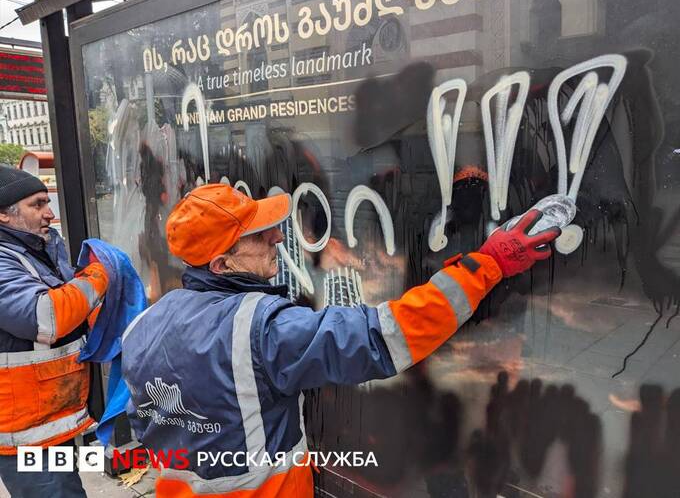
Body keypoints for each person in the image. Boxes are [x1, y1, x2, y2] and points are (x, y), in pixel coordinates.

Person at [121, 184, 560, 498]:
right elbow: (386, 334)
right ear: (221, 263)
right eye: (256, 235)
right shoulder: (263, 331)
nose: (277, 236)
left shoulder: (143, 326)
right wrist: (490, 263)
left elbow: (144, 425)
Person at [0, 166, 109, 497]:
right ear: (4, 214)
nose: (50, 214)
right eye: (37, 204)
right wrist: (99, 276)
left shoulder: (40, 248)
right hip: (24, 435)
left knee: (70, 488)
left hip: (55, 418)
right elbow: (46, 318)